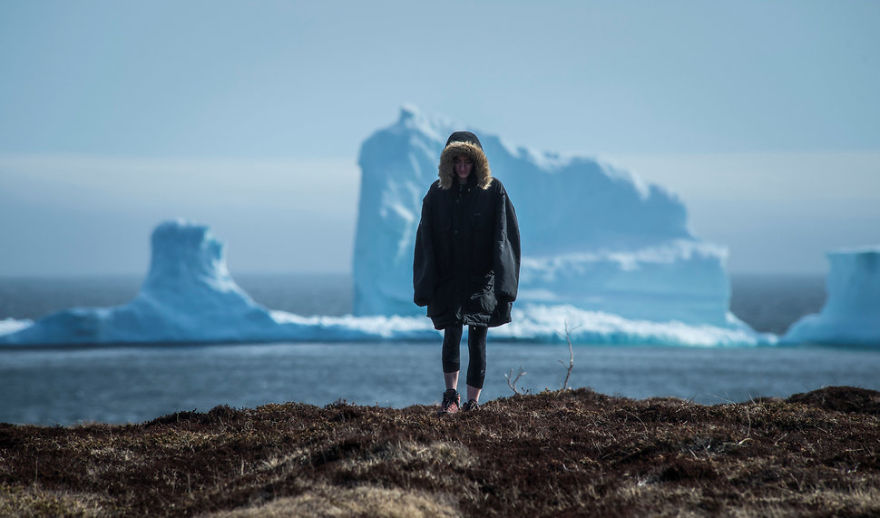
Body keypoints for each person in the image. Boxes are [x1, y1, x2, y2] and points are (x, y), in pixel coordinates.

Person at [413, 131, 521, 414]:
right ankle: (451, 398)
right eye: (457, 161)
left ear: (477, 163)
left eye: (467, 161)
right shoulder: (437, 194)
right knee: (451, 333)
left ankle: (473, 402)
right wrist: (426, 283)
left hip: (481, 282)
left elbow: (504, 237)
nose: (462, 167)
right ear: (449, 162)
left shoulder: (493, 191)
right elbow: (425, 240)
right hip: (449, 280)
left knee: (477, 338)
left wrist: (505, 286)